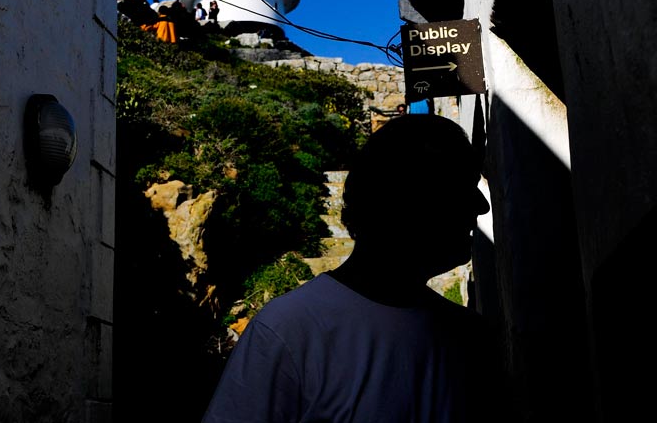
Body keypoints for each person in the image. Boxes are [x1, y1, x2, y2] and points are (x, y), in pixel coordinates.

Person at [202, 115, 497, 423]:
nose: (481, 205)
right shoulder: (289, 333)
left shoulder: (472, 338)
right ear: (403, 200)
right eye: (461, 186)